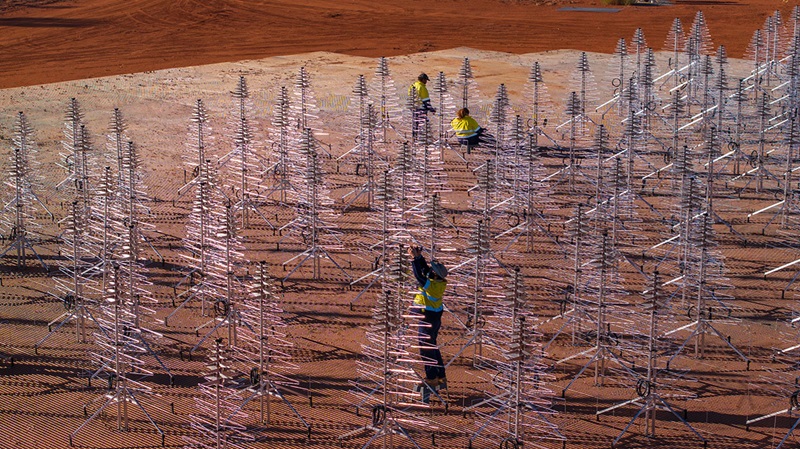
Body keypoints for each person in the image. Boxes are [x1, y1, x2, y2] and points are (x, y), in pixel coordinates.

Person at [409, 245, 448, 403]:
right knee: (432, 346)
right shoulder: (437, 281)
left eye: (433, 271)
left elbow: (419, 275)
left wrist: (413, 260)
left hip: (427, 319)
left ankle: (431, 378)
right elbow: (424, 270)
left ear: (436, 275)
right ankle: (440, 376)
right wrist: (418, 257)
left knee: (426, 348)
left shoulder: (433, 286)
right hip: (433, 318)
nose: (430, 271)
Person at [409, 73, 436, 140]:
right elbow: (426, 100)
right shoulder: (422, 87)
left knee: (415, 123)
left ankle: (414, 138)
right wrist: (431, 109)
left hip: (414, 107)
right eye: (426, 80)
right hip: (421, 108)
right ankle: (423, 139)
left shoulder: (413, 85)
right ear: (423, 80)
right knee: (423, 124)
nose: (426, 82)